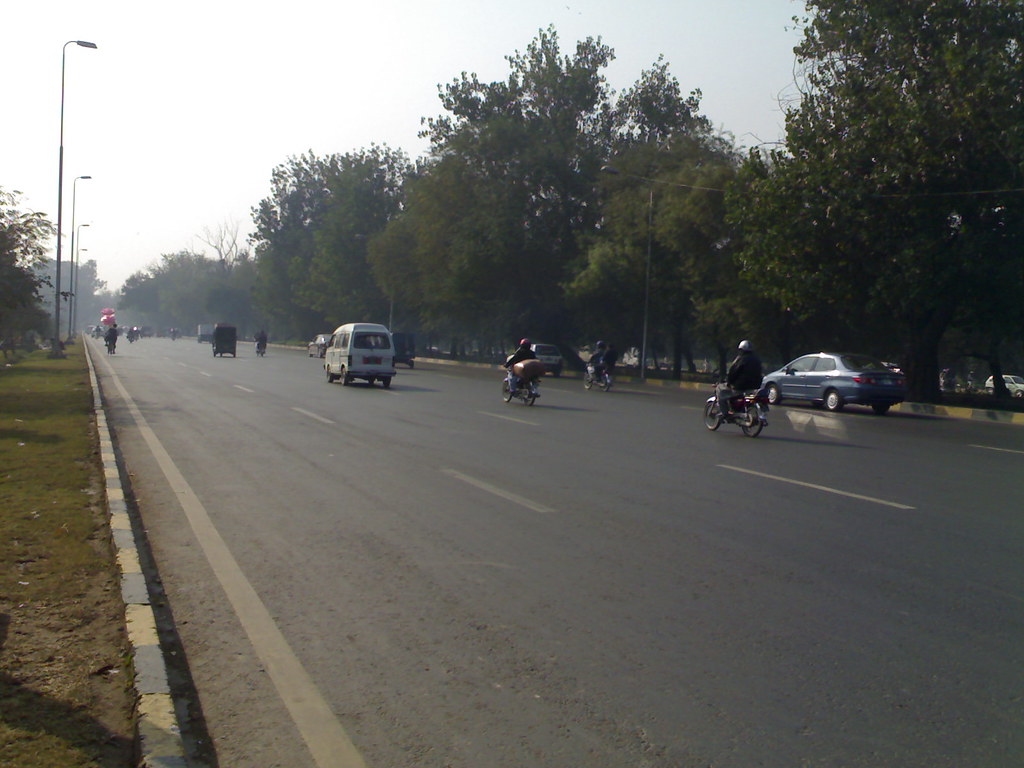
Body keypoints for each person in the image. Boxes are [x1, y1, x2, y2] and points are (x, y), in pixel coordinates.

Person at [717, 339, 763, 416]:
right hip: (755, 386)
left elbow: (733, 372)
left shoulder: (740, 359)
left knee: (720, 390)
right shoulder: (757, 359)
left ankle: (725, 413)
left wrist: (729, 382)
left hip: (740, 386)